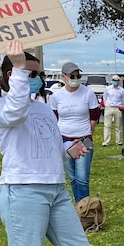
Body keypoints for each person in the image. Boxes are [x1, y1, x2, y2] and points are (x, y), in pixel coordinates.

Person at [0, 40, 124, 246]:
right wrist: (18, 68)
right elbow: (15, 113)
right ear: (9, 76)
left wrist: (69, 149)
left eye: (36, 73)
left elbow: (49, 145)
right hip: (22, 191)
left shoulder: (42, 109)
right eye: (26, 73)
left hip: (54, 188)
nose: (35, 79)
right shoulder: (1, 107)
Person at [49, 61, 99, 202]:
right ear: (64, 76)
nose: (75, 78)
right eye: (72, 76)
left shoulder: (88, 93)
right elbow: (54, 119)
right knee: (72, 178)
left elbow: (94, 118)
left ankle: (85, 210)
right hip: (64, 140)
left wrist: (87, 136)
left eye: (78, 75)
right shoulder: (57, 96)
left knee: (82, 178)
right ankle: (80, 207)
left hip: (84, 138)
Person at [102, 74, 124, 147]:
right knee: (107, 125)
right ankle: (106, 142)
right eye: (113, 80)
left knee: (118, 126)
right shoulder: (108, 88)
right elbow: (105, 97)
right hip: (109, 107)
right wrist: (106, 105)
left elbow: (123, 100)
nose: (114, 81)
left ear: (119, 81)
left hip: (118, 108)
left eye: (116, 80)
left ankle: (118, 141)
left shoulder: (122, 90)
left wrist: (120, 106)